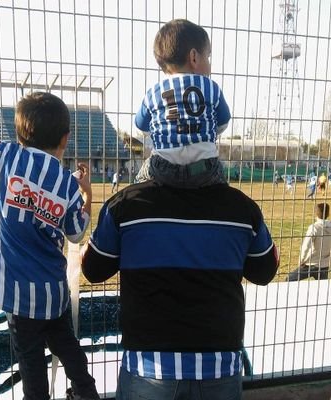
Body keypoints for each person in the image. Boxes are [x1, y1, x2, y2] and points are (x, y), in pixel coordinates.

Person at [0, 83, 100, 400]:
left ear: (20, 133)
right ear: (64, 138)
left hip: (16, 294)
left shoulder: (5, 157)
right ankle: (87, 393)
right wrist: (87, 195)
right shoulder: (65, 182)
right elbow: (76, 233)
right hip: (52, 292)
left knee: (31, 363)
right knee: (67, 346)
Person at [81, 179, 279, 399]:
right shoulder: (243, 207)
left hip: (149, 366)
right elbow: (265, 271)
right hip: (219, 365)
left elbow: (93, 270)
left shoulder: (124, 205)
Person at [134, 19, 231, 188]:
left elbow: (141, 126)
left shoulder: (153, 93)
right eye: (207, 57)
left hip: (164, 168)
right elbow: (223, 122)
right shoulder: (211, 87)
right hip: (203, 168)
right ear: (194, 57)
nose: (209, 64)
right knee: (220, 179)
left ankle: (139, 201)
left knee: (140, 179)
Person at [286, 203, 331, 281]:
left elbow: (306, 246)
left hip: (311, 264)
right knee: (322, 287)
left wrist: (301, 260)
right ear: (328, 213)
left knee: (289, 279)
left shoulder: (314, 228)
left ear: (316, 213)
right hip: (324, 265)